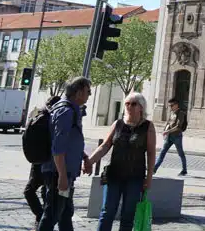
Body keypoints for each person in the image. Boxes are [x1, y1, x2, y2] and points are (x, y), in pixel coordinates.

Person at [88, 92, 156, 231]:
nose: (129, 106)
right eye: (127, 103)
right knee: (107, 213)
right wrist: (90, 161)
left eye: (133, 104)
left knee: (127, 216)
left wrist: (149, 178)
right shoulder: (117, 124)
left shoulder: (148, 127)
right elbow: (105, 145)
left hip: (135, 178)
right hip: (114, 175)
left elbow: (151, 153)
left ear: (141, 108)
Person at [38, 77, 92, 231]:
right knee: (52, 214)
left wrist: (85, 157)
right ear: (79, 92)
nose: (90, 95)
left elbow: (70, 143)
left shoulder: (71, 110)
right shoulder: (66, 112)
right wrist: (62, 176)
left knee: (65, 214)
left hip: (64, 173)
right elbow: (58, 147)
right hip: (58, 173)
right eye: (88, 91)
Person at [24, 96, 61, 226]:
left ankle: (41, 219)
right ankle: (42, 218)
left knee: (32, 191)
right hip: (48, 161)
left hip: (38, 160)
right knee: (43, 192)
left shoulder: (40, 115)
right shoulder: (55, 118)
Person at [153, 98, 188, 176]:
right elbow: (168, 123)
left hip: (177, 137)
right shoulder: (172, 113)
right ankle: (154, 169)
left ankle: (184, 170)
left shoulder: (181, 113)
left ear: (176, 105)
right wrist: (164, 130)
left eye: (171, 105)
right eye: (169, 106)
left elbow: (178, 127)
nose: (170, 107)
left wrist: (167, 131)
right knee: (162, 152)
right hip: (169, 136)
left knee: (180, 153)